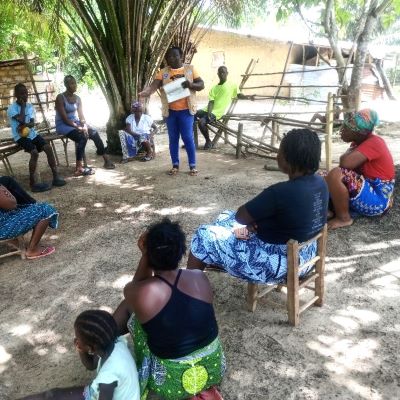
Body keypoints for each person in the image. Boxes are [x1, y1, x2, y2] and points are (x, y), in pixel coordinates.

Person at [187, 129, 328, 284]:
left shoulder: (280, 192)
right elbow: (290, 214)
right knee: (224, 216)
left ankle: (188, 290)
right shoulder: (320, 182)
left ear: (288, 159)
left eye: (280, 152)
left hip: (279, 266)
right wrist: (259, 222)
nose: (277, 156)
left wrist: (255, 222)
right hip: (307, 256)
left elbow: (241, 217)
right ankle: (217, 255)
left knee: (202, 236)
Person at [113, 219, 225, 400]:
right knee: (155, 312)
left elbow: (137, 286)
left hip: (172, 382)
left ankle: (102, 341)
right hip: (213, 367)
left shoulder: (141, 292)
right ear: (181, 251)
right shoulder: (199, 277)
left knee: (130, 308)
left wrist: (145, 255)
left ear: (149, 254)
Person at [19, 309, 140, 400]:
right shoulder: (115, 343)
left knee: (52, 396)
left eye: (78, 338)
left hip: (102, 395)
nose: (75, 340)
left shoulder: (108, 377)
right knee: (53, 395)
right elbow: (91, 365)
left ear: (91, 347)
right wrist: (81, 349)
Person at [325, 109, 395, 229]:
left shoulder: (375, 142)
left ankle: (344, 218)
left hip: (378, 200)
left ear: (360, 133)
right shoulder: (357, 143)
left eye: (346, 127)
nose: (342, 130)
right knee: (323, 175)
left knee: (336, 173)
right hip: (367, 191)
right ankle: (327, 210)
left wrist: (345, 157)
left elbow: (345, 163)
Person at [139, 46, 204, 176]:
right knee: (173, 139)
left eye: (175, 56)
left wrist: (190, 85)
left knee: (187, 138)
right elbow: (153, 86)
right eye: (169, 56)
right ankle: (175, 165)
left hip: (186, 111)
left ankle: (192, 165)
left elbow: (201, 85)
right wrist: (145, 92)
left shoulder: (190, 70)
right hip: (171, 112)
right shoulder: (163, 72)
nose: (172, 58)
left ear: (181, 56)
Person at [7, 83, 66, 192]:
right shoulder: (12, 108)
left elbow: (31, 123)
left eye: (26, 93)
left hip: (32, 134)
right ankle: (32, 183)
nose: (25, 95)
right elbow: (22, 121)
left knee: (48, 148)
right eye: (22, 93)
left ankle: (56, 176)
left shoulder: (30, 106)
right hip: (20, 137)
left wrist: (27, 123)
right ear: (16, 95)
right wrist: (23, 108)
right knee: (34, 152)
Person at [55, 75, 115, 176]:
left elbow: (81, 116)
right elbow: (65, 119)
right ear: (66, 85)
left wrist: (84, 125)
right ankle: (79, 167)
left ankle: (106, 159)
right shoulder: (60, 98)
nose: (75, 85)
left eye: (75, 83)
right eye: (72, 83)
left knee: (94, 133)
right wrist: (79, 127)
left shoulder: (77, 98)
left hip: (75, 123)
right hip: (63, 125)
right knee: (82, 137)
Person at [0, 176, 58, 259]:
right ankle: (32, 250)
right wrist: (4, 190)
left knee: (7, 181)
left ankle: (16, 243)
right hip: (2, 229)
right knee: (45, 209)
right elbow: (11, 205)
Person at [195, 66, 250, 150]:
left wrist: (248, 97)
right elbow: (211, 102)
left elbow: (239, 95)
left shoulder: (232, 85)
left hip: (217, 112)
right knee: (191, 114)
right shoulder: (214, 88)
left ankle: (208, 141)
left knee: (201, 122)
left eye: (223, 72)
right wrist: (209, 112)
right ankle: (190, 141)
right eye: (220, 72)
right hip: (208, 110)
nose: (222, 74)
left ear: (227, 73)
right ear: (217, 74)